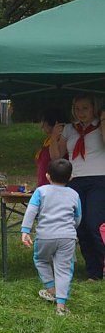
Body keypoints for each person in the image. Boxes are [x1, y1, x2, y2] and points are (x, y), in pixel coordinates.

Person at [50, 94, 105, 282]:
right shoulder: (69, 130)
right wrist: (54, 138)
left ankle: (103, 264)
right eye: (77, 109)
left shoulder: (100, 125)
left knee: (95, 224)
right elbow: (57, 158)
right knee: (80, 227)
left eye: (85, 108)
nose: (80, 112)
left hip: (99, 179)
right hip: (76, 180)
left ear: (94, 108)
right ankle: (94, 271)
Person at [21, 159, 82, 316]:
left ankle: (51, 289)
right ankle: (61, 307)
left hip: (45, 235)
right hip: (67, 236)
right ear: (70, 177)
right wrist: (71, 229)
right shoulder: (74, 194)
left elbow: (31, 211)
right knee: (64, 269)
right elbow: (78, 217)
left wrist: (25, 230)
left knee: (41, 260)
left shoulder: (41, 191)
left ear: (47, 176)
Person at [35, 107, 67, 187]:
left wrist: (54, 136)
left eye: (43, 121)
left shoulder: (62, 139)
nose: (41, 125)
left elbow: (56, 158)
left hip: (55, 186)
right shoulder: (48, 141)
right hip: (43, 185)